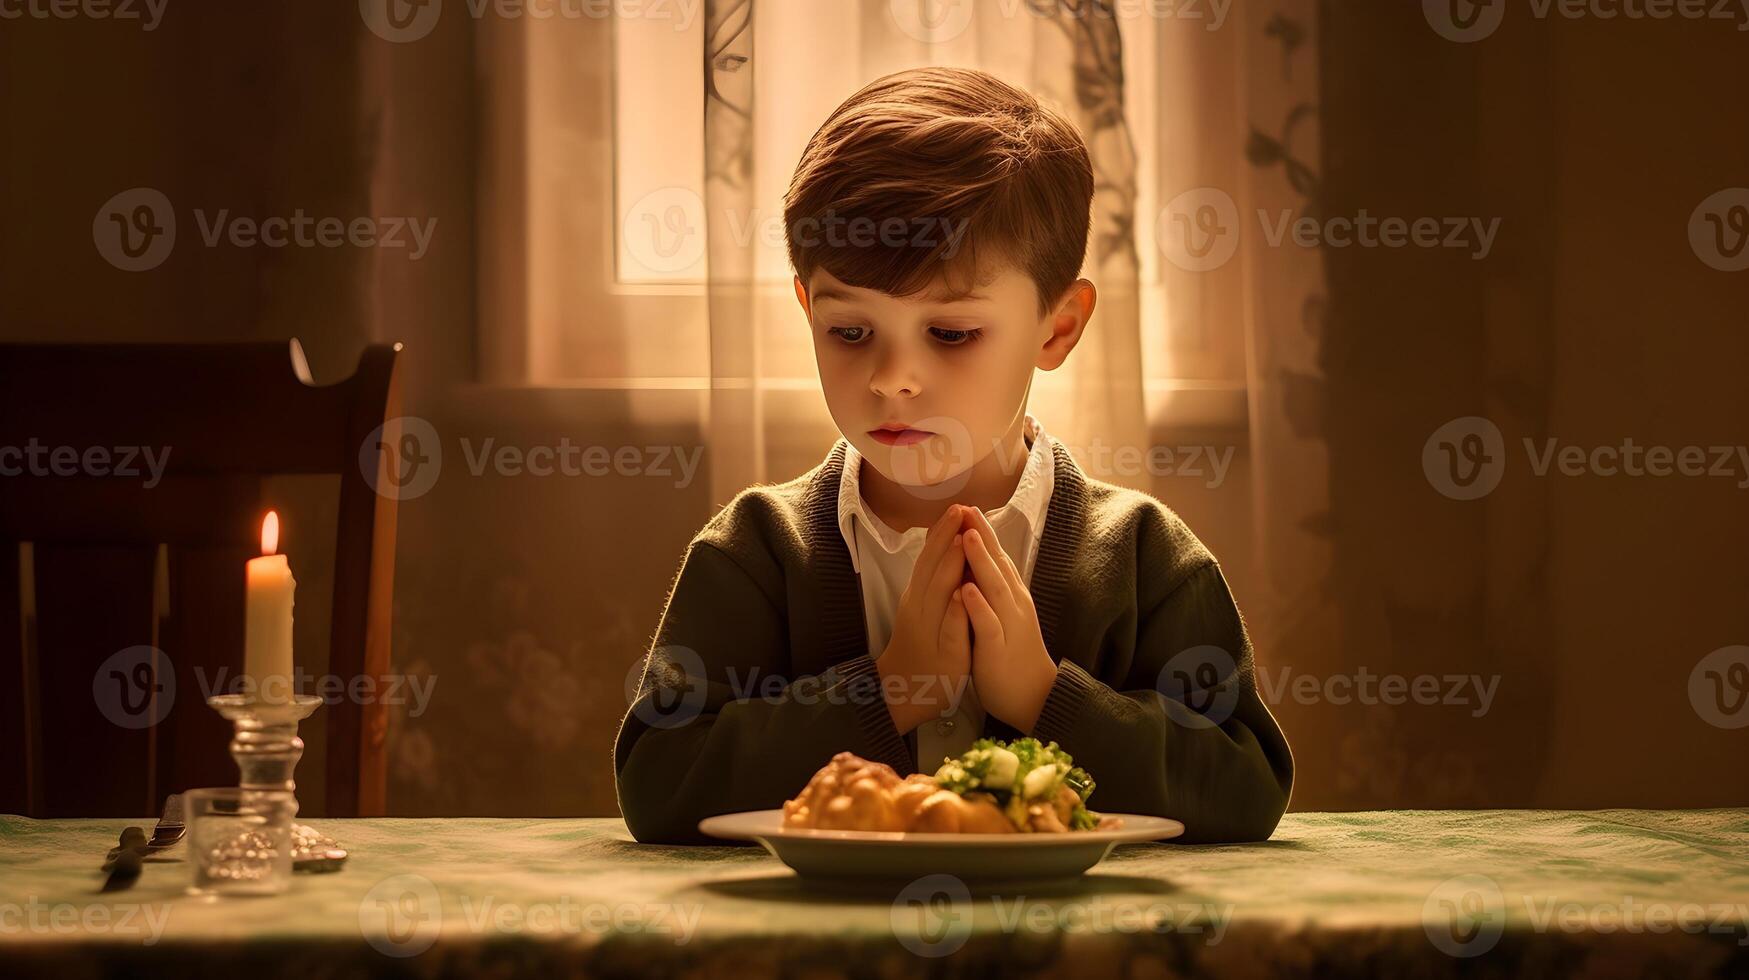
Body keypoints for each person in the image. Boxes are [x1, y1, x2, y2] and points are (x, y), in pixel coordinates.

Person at [615, 66, 1292, 845]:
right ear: (807, 307)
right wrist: (886, 693)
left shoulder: (1144, 557)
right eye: (850, 332)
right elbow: (657, 784)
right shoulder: (756, 552)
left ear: (1057, 327)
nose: (892, 380)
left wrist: (1045, 698)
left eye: (951, 334)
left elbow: (1246, 788)